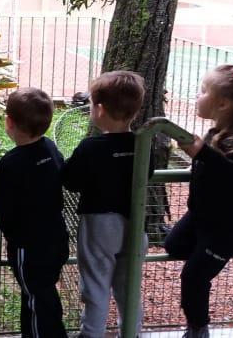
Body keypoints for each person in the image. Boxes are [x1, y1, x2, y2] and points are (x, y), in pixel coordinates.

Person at [165, 61, 233, 338]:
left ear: (223, 104)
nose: (197, 96)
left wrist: (201, 153)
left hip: (226, 227)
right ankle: (212, 252)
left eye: (203, 91)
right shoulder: (216, 134)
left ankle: (198, 328)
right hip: (201, 217)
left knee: (193, 277)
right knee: (172, 245)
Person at [61, 70, 150, 338]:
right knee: (128, 285)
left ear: (99, 109)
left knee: (96, 283)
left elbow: (70, 180)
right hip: (135, 225)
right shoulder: (142, 145)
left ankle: (92, 333)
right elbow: (148, 173)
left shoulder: (91, 147)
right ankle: (131, 333)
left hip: (100, 224)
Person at [0, 88, 68, 338]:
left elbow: (5, 212)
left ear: (9, 122)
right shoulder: (50, 148)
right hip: (56, 239)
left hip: (28, 247)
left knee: (39, 299)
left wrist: (14, 237)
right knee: (40, 295)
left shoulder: (10, 163)